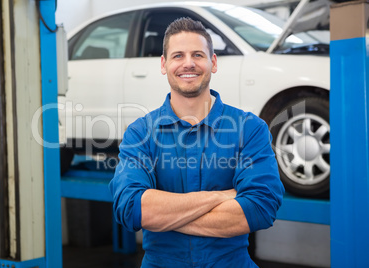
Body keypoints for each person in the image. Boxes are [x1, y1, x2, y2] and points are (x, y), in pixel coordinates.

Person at [109, 17, 284, 267]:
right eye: (178, 55)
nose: (188, 63)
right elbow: (131, 208)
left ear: (213, 62)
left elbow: (260, 208)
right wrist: (221, 197)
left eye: (198, 55)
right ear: (164, 64)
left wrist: (166, 217)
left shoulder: (249, 129)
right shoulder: (140, 133)